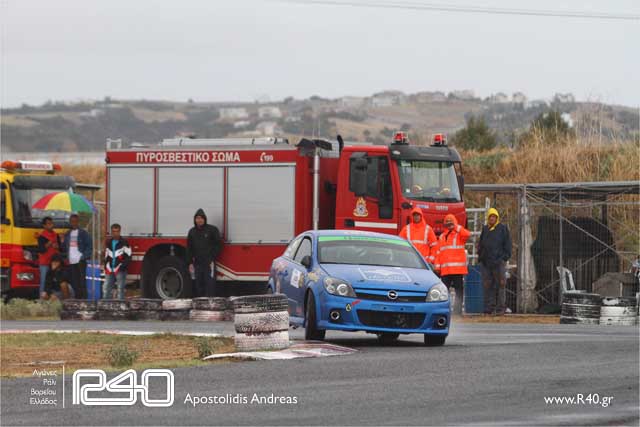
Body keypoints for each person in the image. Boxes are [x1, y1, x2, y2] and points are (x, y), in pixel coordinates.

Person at [434, 214, 471, 315]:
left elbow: (467, 234)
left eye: (451, 223)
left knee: (458, 290)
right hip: (445, 270)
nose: (449, 225)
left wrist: (456, 227)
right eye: (447, 223)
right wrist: (437, 266)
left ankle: (457, 311)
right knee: (444, 291)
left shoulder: (459, 234)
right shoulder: (442, 237)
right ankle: (445, 309)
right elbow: (438, 253)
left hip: (457, 270)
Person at [478, 207, 512, 315]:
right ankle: (489, 308)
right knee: (488, 285)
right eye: (490, 217)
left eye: (494, 217)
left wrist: (504, 258)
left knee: (501, 285)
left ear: (497, 218)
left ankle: (501, 308)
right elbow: (480, 244)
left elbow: (508, 244)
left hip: (499, 262)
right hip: (486, 263)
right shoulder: (485, 229)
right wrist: (481, 257)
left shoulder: (502, 229)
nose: (492, 218)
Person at [186, 208, 222, 297]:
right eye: (197, 218)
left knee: (210, 285)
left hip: (209, 263)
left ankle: (210, 302)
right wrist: (190, 262)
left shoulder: (212, 230)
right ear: (195, 220)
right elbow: (189, 248)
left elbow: (218, 244)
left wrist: (212, 257)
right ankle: (200, 302)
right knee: (198, 285)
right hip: (197, 264)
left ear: (205, 219)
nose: (199, 220)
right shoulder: (192, 232)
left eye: (201, 218)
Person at [60, 214, 92, 299]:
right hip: (71, 261)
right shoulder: (67, 233)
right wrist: (62, 240)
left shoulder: (83, 233)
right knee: (74, 282)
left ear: (78, 222)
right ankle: (78, 299)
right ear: (70, 222)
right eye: (72, 221)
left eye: (75, 221)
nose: (74, 223)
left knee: (82, 281)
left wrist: (83, 256)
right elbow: (63, 248)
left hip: (80, 260)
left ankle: (84, 299)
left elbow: (89, 246)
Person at [104, 223, 131, 300]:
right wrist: (106, 266)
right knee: (107, 289)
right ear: (111, 232)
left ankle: (120, 305)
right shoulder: (108, 242)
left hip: (120, 270)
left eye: (117, 231)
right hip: (109, 269)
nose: (115, 233)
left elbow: (128, 257)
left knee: (120, 289)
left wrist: (122, 267)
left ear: (120, 231)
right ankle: (106, 305)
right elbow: (106, 255)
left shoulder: (124, 242)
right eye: (114, 231)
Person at [37, 216, 61, 298]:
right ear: (44, 226)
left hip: (54, 263)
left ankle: (51, 299)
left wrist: (57, 246)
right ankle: (41, 300)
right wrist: (49, 243)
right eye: (49, 224)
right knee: (44, 282)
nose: (51, 225)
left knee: (54, 282)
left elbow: (60, 248)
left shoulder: (56, 235)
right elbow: (41, 250)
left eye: (52, 223)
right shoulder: (41, 236)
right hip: (44, 263)